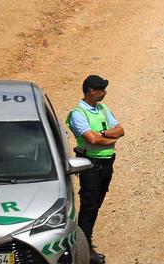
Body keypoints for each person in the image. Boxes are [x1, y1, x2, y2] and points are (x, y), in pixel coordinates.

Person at [66, 74, 124, 264]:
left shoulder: (102, 108)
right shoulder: (78, 113)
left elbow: (120, 130)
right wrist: (107, 137)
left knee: (96, 204)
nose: (104, 93)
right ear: (91, 91)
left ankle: (84, 241)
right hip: (90, 164)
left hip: (106, 163)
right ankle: (84, 247)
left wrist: (104, 134)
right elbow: (92, 140)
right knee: (89, 206)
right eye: (101, 90)